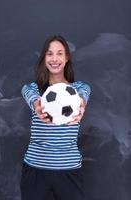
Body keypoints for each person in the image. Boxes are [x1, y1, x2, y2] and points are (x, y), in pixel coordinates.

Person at [20, 35, 91, 200]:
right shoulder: (32, 89)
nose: (54, 58)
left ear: (67, 58)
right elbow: (31, 96)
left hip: (69, 171)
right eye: (49, 53)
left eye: (60, 53)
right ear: (44, 58)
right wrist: (38, 105)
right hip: (35, 171)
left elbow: (83, 97)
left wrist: (80, 105)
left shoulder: (79, 88)